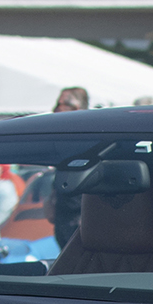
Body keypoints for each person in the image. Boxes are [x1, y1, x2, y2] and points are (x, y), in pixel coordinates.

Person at [48, 86, 92, 247]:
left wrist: (88, 216)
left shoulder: (89, 138)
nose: (57, 110)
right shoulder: (61, 139)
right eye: (57, 105)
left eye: (64, 104)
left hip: (81, 215)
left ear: (78, 109)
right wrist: (52, 199)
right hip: (63, 215)